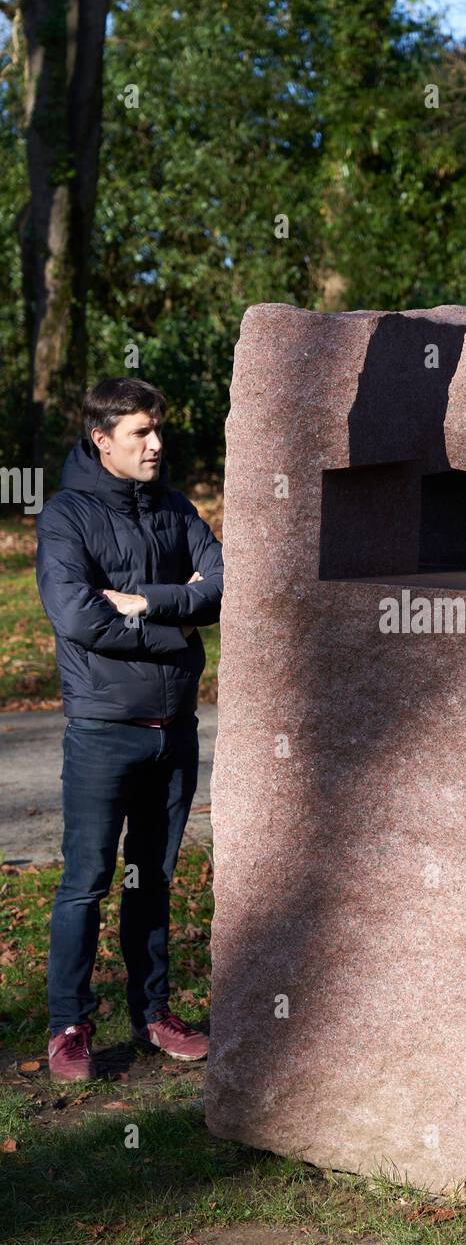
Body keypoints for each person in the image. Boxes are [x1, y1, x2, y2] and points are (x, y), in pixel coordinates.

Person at [35, 376, 223, 1081]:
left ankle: (153, 1015)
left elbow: (226, 582)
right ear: (102, 439)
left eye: (158, 430)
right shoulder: (65, 518)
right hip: (103, 728)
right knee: (87, 879)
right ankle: (68, 1026)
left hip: (173, 729)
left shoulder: (176, 509)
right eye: (140, 432)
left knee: (154, 880)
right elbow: (79, 616)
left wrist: (147, 602)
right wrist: (180, 625)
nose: (156, 443)